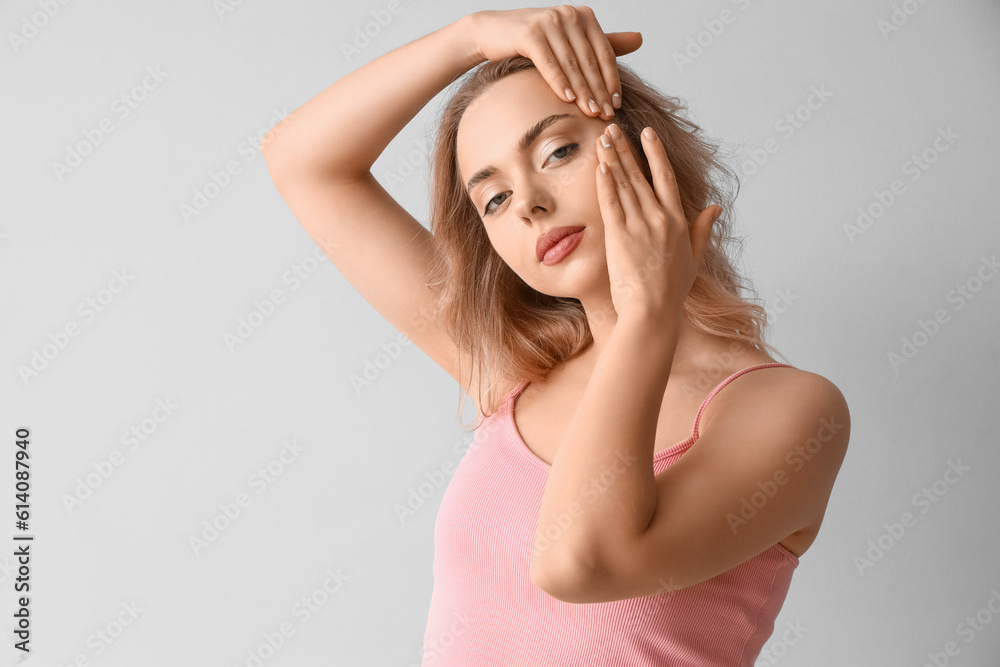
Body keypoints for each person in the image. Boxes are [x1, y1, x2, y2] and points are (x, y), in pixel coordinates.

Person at [261, 6, 851, 665]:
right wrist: (470, 37)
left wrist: (646, 316)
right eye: (494, 198)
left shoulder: (789, 410)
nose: (531, 203)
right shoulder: (518, 370)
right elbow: (302, 161)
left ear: (643, 145)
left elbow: (579, 564)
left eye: (557, 151)